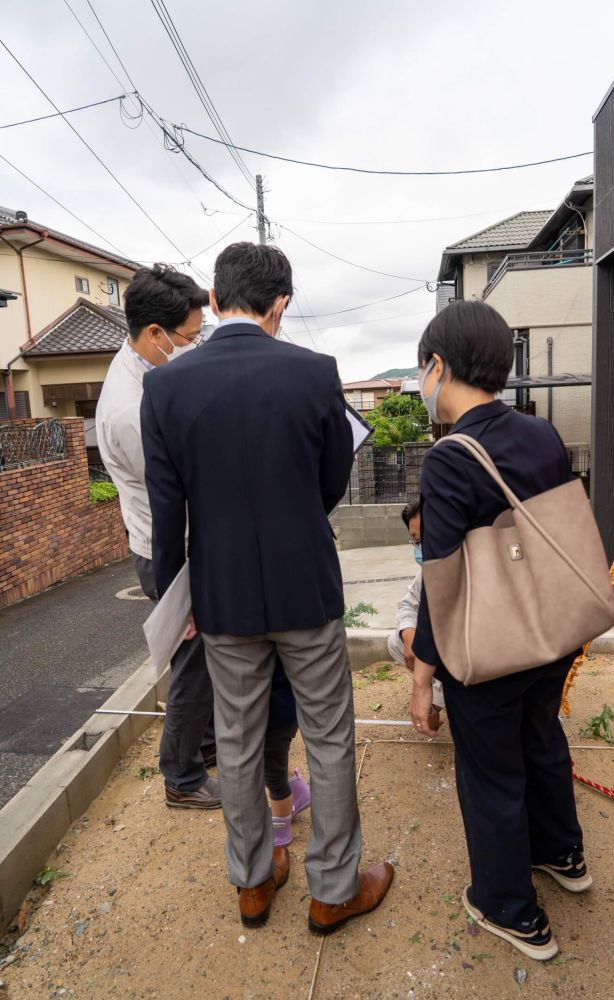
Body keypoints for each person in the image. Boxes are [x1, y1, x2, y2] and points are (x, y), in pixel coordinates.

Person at [140, 242, 394, 932]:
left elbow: (168, 514)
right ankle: (333, 888)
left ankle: (252, 883)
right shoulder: (314, 373)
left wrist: (176, 601)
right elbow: (330, 482)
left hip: (220, 597)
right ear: (279, 302)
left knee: (238, 738)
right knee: (329, 736)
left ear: (216, 302)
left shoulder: (164, 387)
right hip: (304, 585)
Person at [97, 265, 310, 838]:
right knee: (191, 660)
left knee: (212, 661)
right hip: (168, 548)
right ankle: (183, 776)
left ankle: (212, 748)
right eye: (189, 337)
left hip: (183, 539)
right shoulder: (128, 410)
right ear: (155, 334)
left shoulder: (149, 371)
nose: (194, 345)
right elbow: (179, 494)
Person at [410, 299, 589, 963]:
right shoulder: (537, 434)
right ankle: (562, 855)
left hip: (487, 648)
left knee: (490, 772)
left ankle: (511, 910)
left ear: (438, 365)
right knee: (541, 741)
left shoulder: (449, 456)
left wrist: (423, 675)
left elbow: (441, 581)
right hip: (551, 631)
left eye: (423, 368)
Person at [387, 500, 444, 718]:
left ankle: (435, 700)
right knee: (396, 641)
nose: (419, 548)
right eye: (415, 541)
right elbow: (407, 604)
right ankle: (435, 694)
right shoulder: (427, 571)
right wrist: (409, 638)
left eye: (421, 540)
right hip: (441, 652)